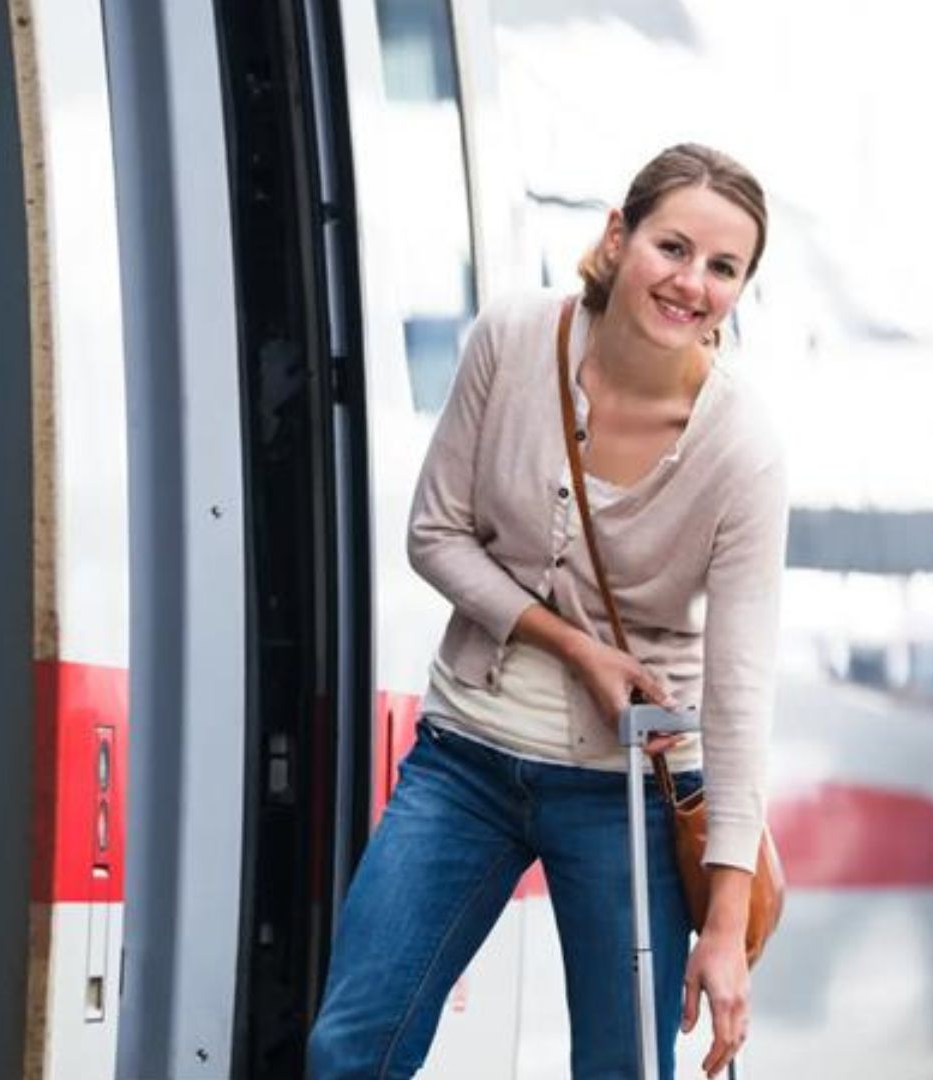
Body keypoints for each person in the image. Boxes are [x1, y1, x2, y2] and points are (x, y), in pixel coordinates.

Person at [307, 143, 788, 1080]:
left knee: (620, 1070)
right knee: (351, 1048)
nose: (691, 283)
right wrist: (574, 647)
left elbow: (737, 702)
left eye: (723, 268)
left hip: (626, 798)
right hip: (465, 762)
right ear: (619, 236)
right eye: (673, 247)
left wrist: (725, 931)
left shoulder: (742, 452)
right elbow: (434, 534)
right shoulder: (513, 339)